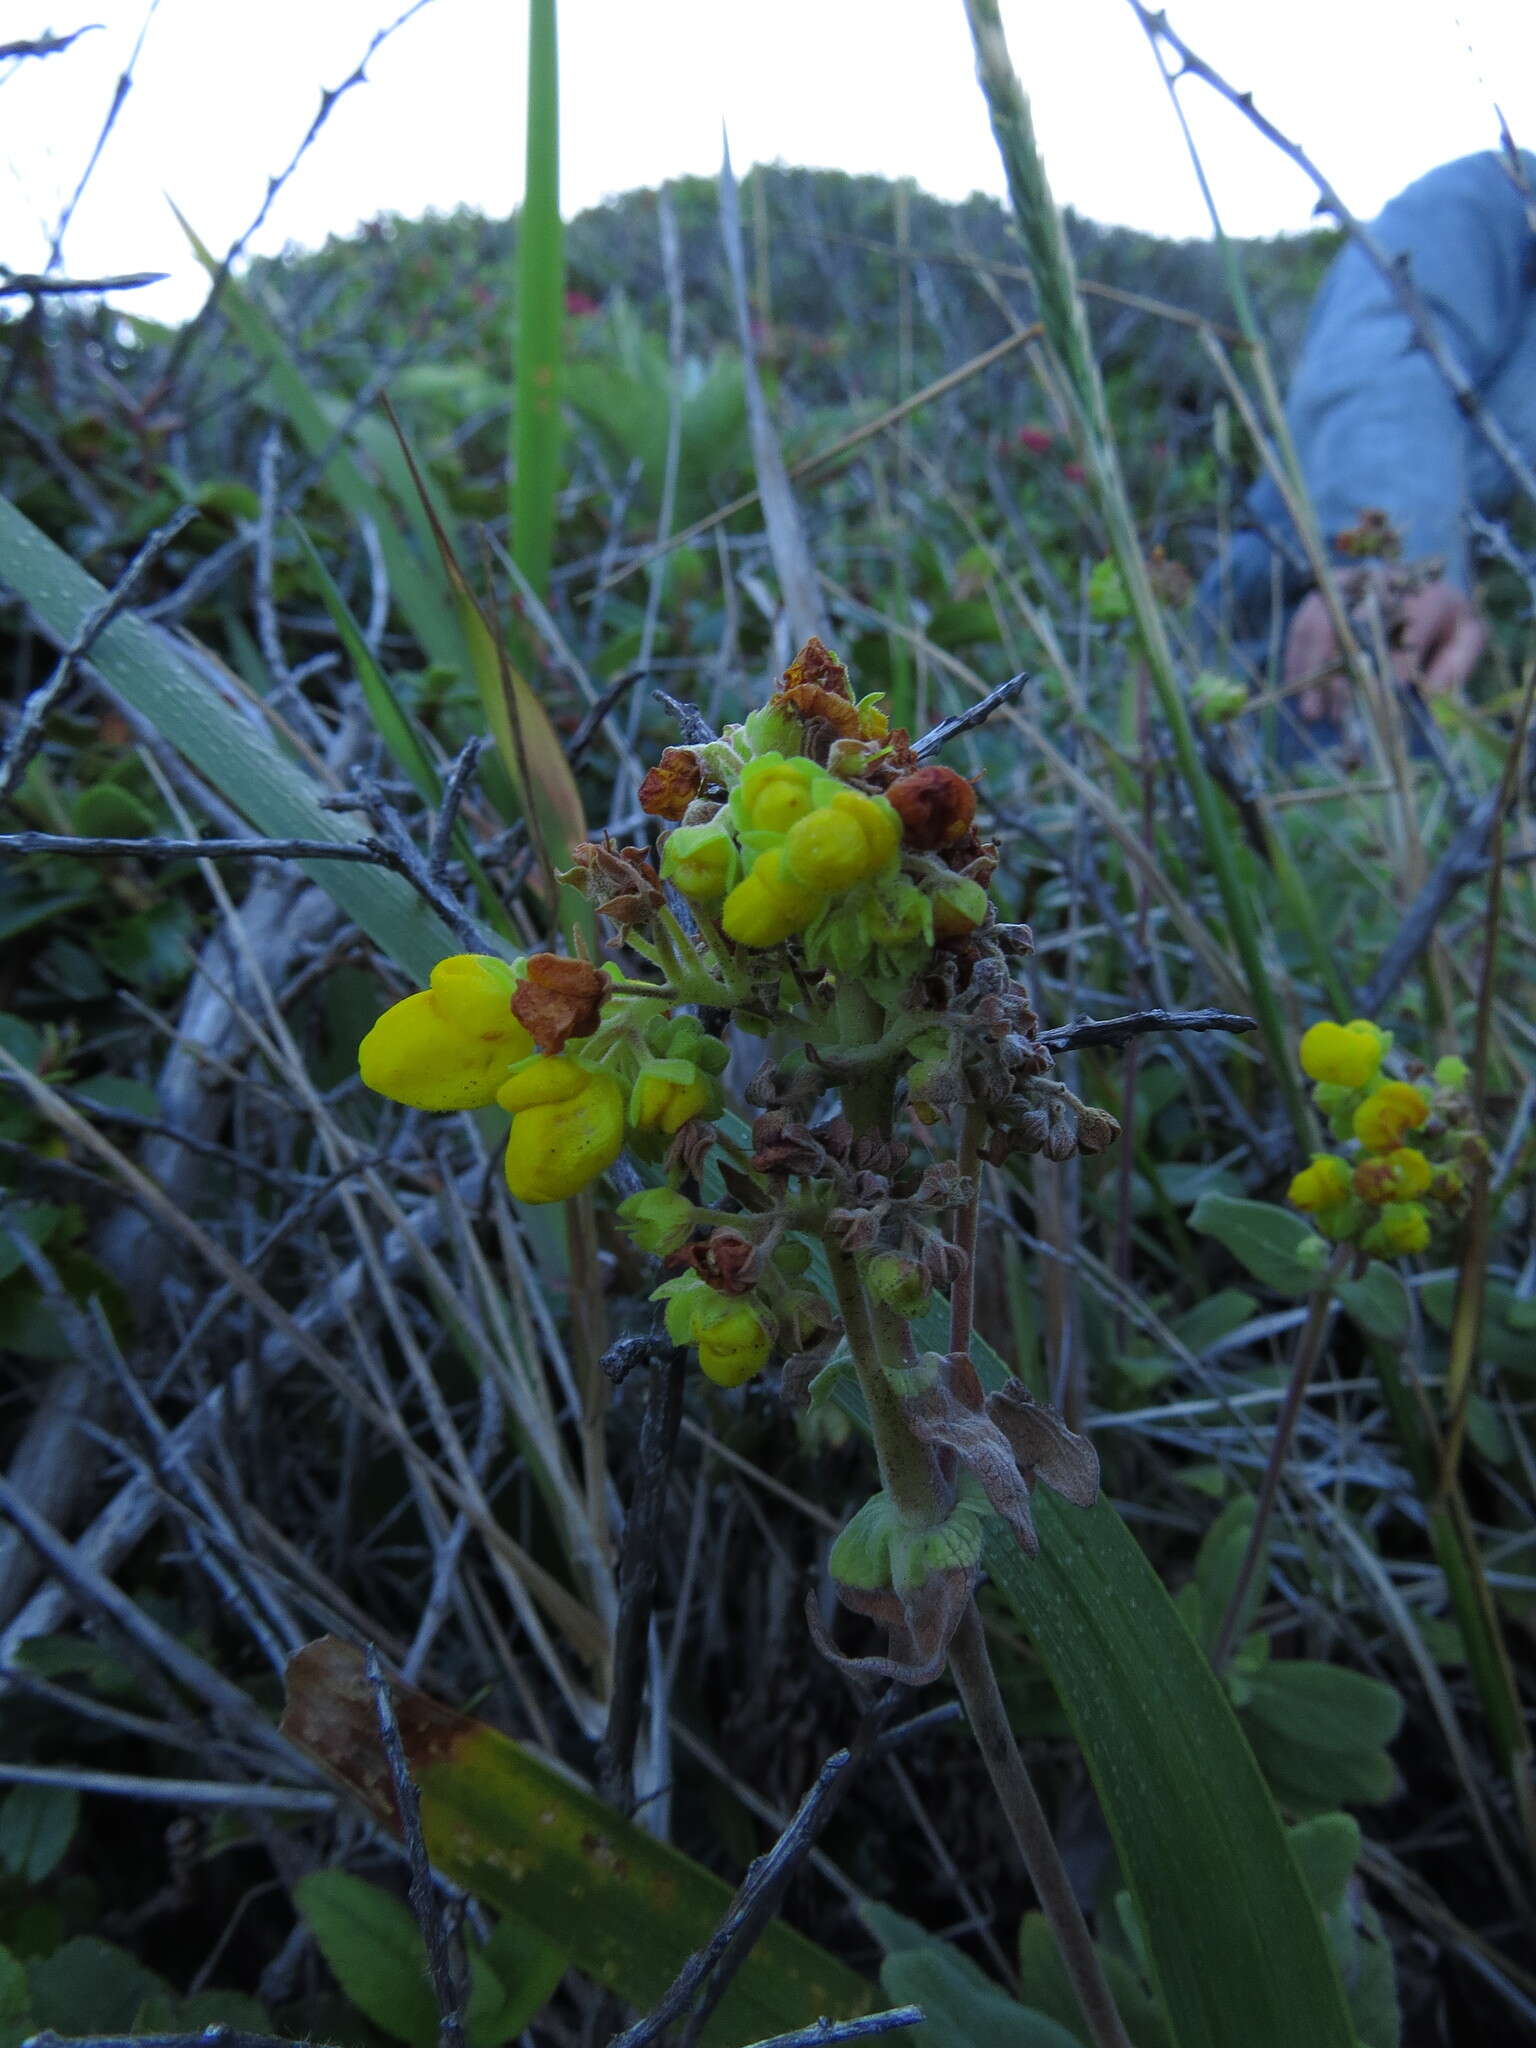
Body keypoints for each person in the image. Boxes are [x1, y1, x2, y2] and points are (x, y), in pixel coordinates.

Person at [1200, 149, 1536, 737]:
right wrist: (1395, 562)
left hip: (1466, 622)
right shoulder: (1495, 197)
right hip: (1313, 585)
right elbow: (1386, 355)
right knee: (1335, 746)